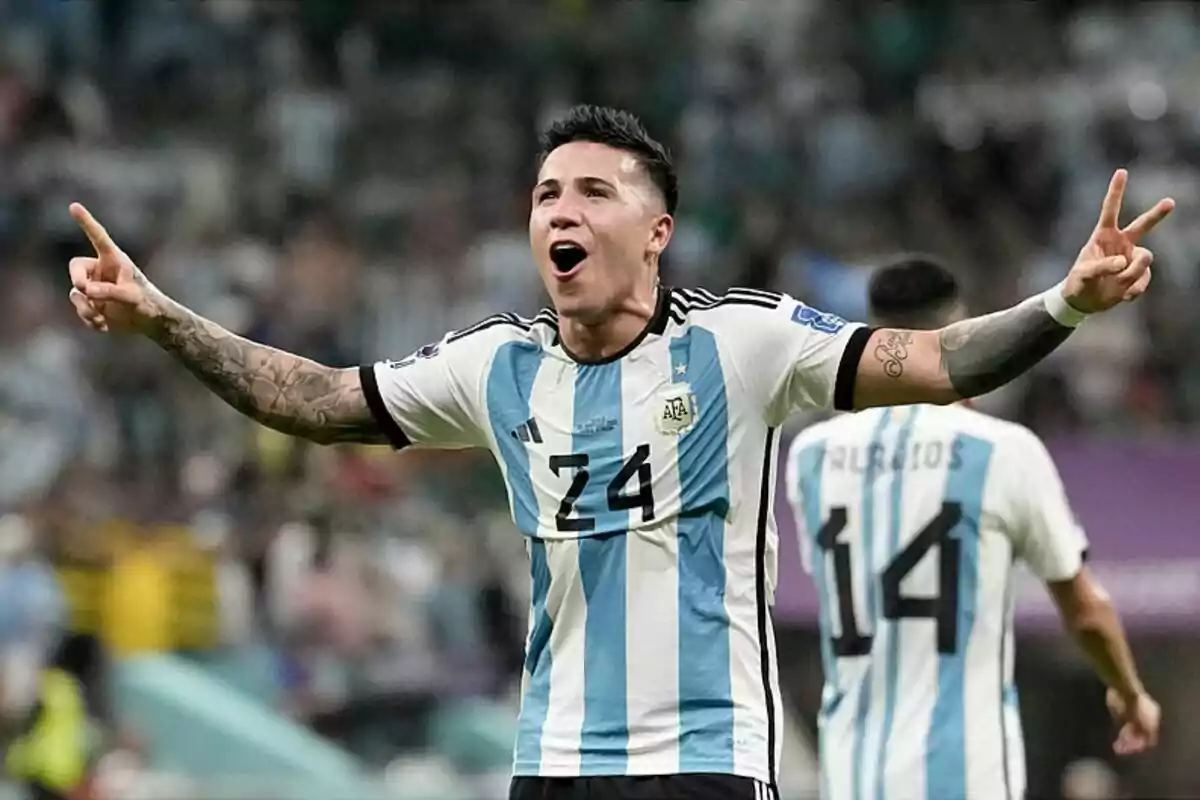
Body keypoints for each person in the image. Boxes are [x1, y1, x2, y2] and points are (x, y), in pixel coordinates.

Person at [64, 105, 1172, 800]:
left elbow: (937, 363)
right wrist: (165, 316)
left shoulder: (741, 343)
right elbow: (312, 397)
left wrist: (1066, 300)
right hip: (553, 761)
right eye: (548, 191)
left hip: (705, 760)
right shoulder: (494, 364)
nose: (563, 207)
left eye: (595, 189)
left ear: (656, 231)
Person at [784, 256, 1160, 800]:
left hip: (852, 772)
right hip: (968, 771)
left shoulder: (812, 458)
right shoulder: (1002, 450)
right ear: (967, 333)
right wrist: (1129, 693)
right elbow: (1086, 611)